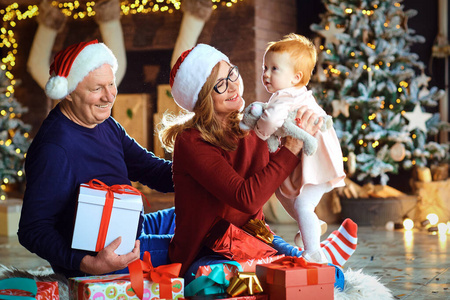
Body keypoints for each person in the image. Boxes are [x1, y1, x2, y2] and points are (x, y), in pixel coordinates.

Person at [158, 44, 357, 285]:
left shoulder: (251, 125)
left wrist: (303, 128)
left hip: (254, 237)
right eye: (220, 84)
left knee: (332, 278)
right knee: (227, 281)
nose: (233, 85)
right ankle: (318, 256)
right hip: (207, 252)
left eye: (232, 73)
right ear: (202, 98)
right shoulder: (192, 141)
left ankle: (321, 253)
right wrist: (292, 147)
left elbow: (273, 175)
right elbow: (246, 197)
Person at [18, 40, 176, 278]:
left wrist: (204, 169)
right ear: (68, 92)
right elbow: (32, 230)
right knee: (201, 241)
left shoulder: (107, 124)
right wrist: (86, 263)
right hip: (104, 259)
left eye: (112, 84)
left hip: (131, 230)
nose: (109, 96)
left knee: (198, 216)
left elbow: (152, 170)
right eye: (97, 89)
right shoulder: (54, 148)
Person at [253, 33, 346, 264]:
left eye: (274, 69)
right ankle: (311, 225)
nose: (266, 73)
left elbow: (272, 120)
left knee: (302, 202)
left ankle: (314, 253)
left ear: (296, 77)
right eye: (265, 67)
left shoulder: (285, 96)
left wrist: (258, 132)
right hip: (316, 158)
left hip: (317, 159)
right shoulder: (293, 94)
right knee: (284, 191)